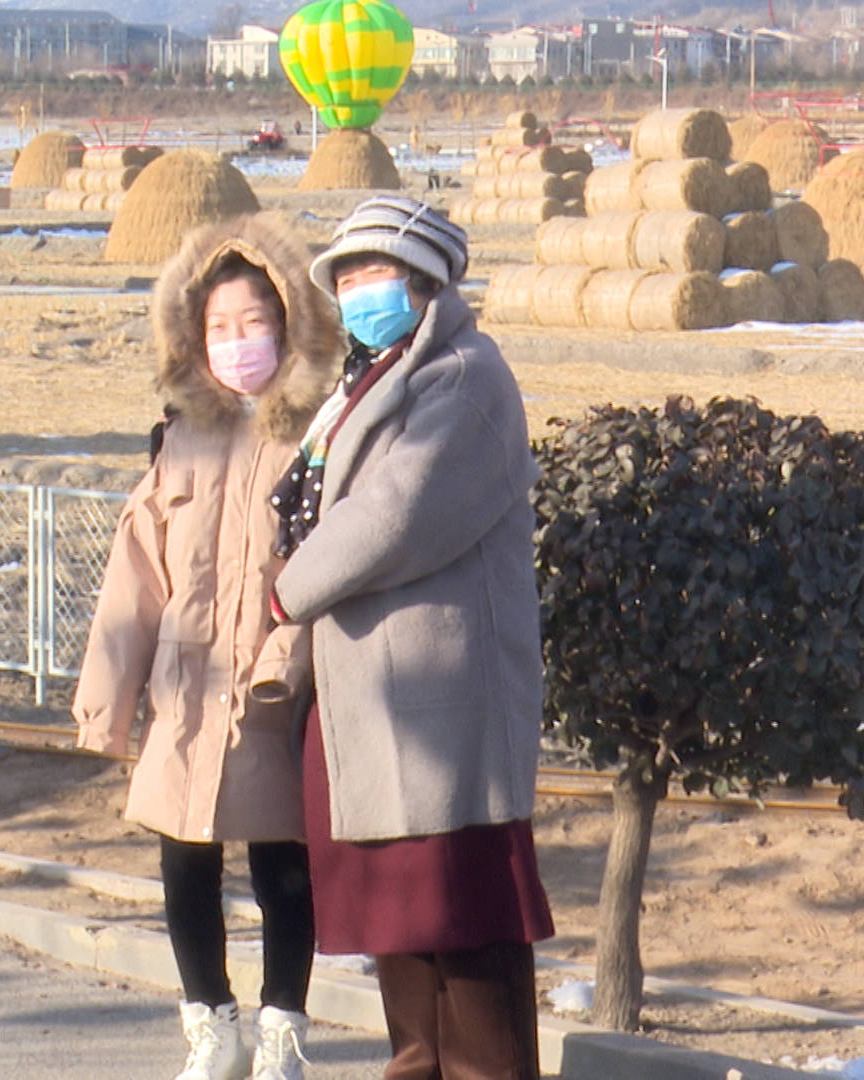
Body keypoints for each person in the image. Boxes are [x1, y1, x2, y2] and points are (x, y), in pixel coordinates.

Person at [268, 195, 554, 1080]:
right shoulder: (370, 379)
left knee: (467, 951)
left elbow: (396, 514)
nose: (357, 290)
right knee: (409, 962)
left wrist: (288, 593)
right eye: (345, 277)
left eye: (375, 273)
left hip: (442, 716)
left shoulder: (464, 377)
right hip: (376, 710)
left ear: (428, 281)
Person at [74, 214, 343, 1080]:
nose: (237, 344)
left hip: (277, 698)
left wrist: (282, 666)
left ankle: (281, 1032)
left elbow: (325, 563)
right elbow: (135, 578)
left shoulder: (316, 442)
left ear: (291, 326)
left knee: (283, 871)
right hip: (186, 696)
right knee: (182, 863)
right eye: (219, 328)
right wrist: (108, 703)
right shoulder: (177, 442)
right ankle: (211, 1025)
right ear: (193, 338)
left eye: (254, 324)